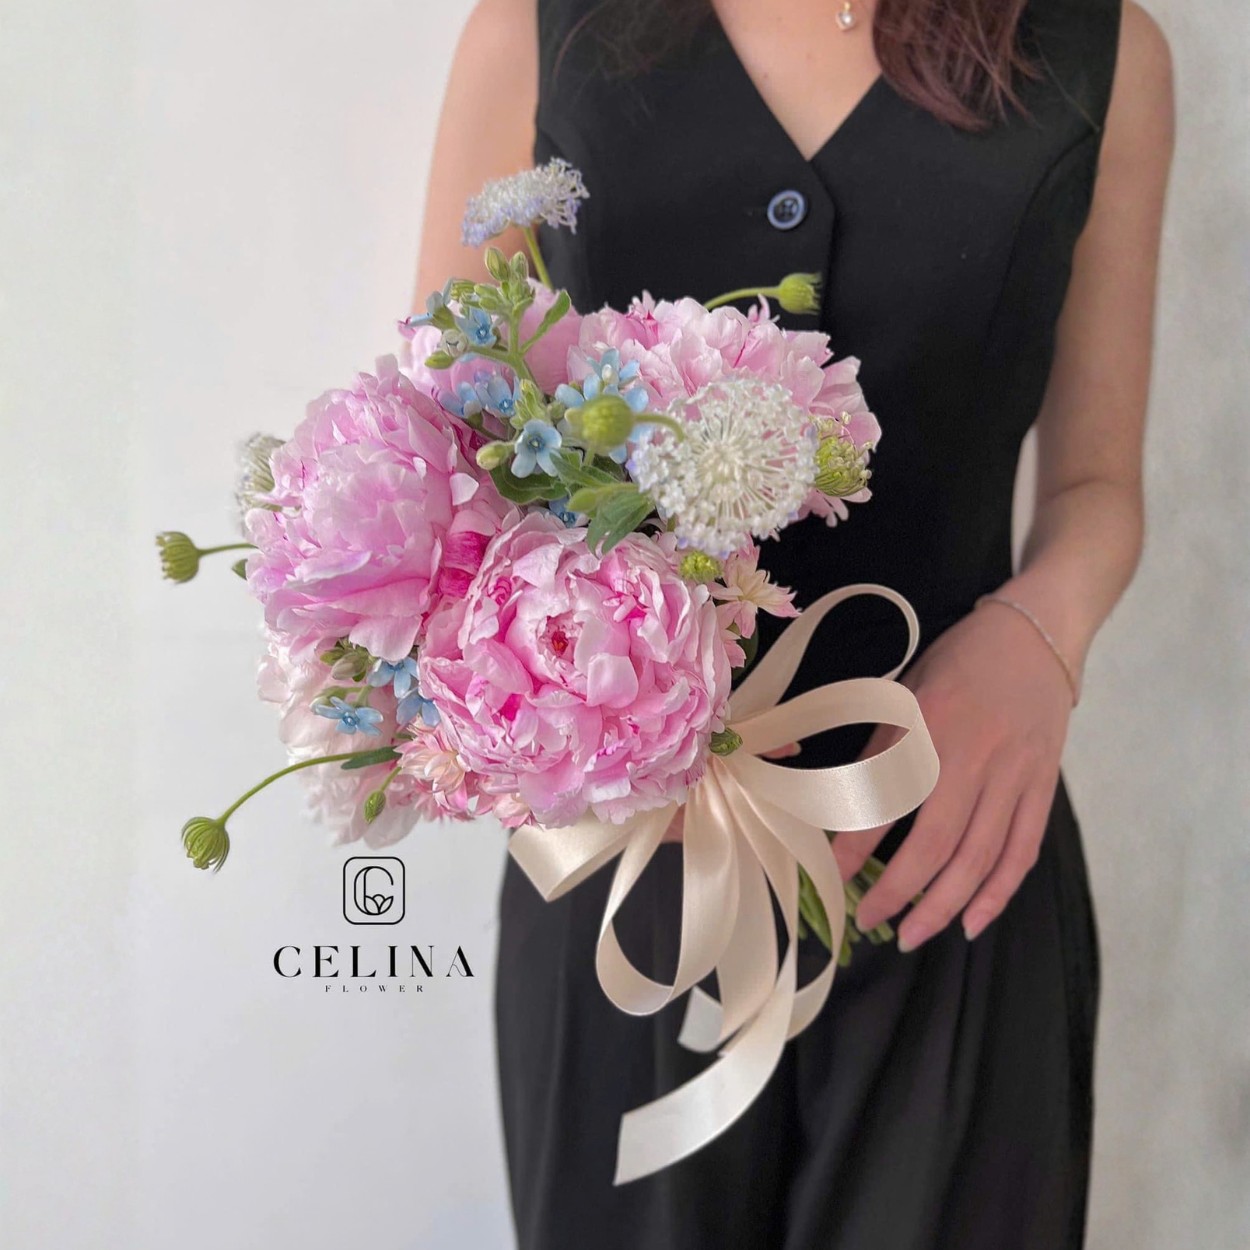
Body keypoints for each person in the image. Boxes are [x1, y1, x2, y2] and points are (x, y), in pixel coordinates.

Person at [413, 0, 1174, 1245]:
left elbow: (1096, 485)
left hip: (950, 847)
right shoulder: (536, 28)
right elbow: (446, 449)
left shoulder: (1101, 50)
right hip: (625, 871)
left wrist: (1039, 637)